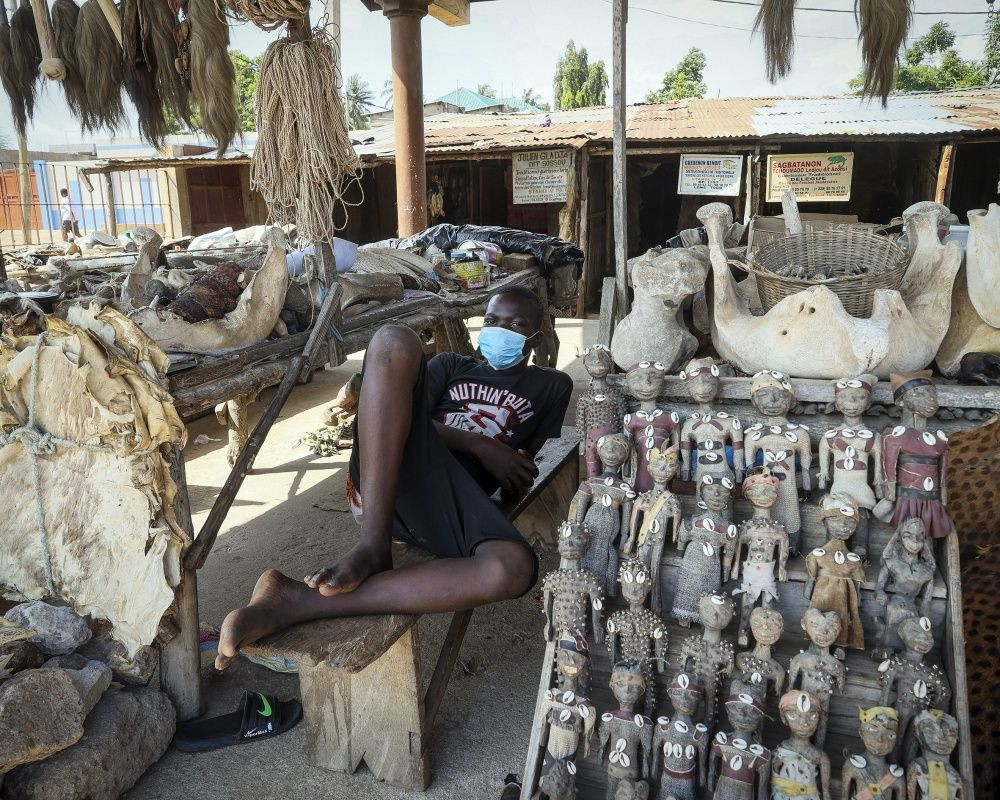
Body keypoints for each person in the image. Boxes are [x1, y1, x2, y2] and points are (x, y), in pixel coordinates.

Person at [215, 286, 572, 668]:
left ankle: (296, 600)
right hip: (389, 475)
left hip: (452, 503)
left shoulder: (553, 385)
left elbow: (524, 462)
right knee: (393, 339)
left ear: (535, 338)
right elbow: (391, 416)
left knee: (513, 569)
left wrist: (514, 466)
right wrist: (480, 445)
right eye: (491, 321)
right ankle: (373, 545)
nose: (500, 330)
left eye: (515, 324)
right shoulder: (452, 365)